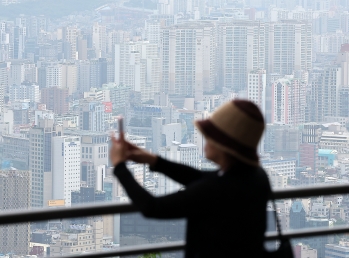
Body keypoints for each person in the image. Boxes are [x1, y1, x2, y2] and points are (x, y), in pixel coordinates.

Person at [110, 99, 271, 258]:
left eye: (211, 136)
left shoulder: (214, 190)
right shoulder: (257, 177)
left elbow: (152, 207)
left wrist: (119, 167)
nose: (205, 141)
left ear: (225, 145)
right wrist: (152, 160)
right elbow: (199, 177)